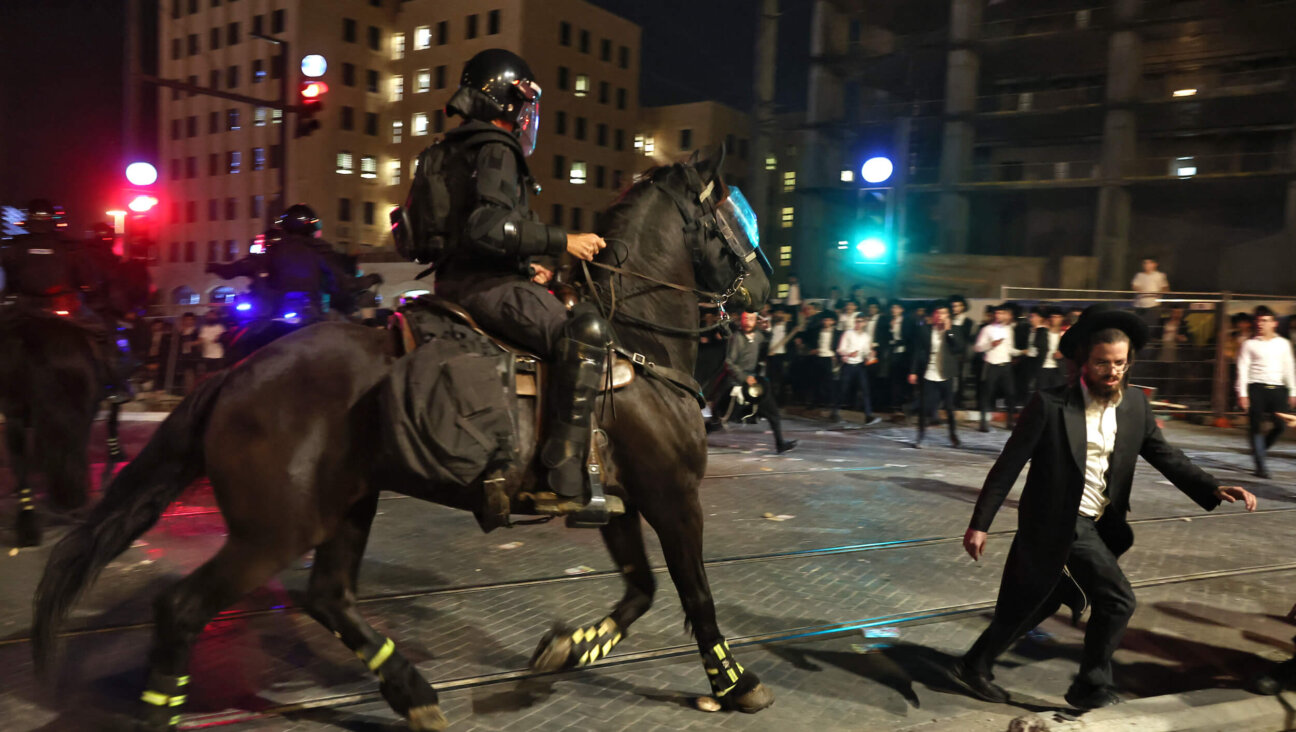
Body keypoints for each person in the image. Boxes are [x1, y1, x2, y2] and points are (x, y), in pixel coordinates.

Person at [952, 303, 1257, 710]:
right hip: (1056, 523)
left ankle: (974, 664)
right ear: (1082, 361)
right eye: (1102, 363)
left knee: (1039, 600)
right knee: (1117, 600)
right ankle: (1090, 686)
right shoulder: (1049, 405)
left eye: (1120, 363)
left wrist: (1212, 487)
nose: (1112, 372)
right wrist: (980, 523)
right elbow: (1008, 466)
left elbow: (1165, 454)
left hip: (1097, 523)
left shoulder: (1134, 405)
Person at [431, 48, 611, 510]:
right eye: (528, 104)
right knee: (584, 330)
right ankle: (563, 469)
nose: (531, 116)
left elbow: (462, 234)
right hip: (483, 290)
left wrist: (524, 266)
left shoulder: (451, 148)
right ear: (511, 103)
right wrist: (562, 241)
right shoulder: (495, 147)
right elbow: (486, 227)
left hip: (454, 282)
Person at [714, 312, 797, 453]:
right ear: (742, 320)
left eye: (751, 319)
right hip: (737, 382)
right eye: (746, 319)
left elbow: (767, 342)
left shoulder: (758, 335)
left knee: (773, 413)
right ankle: (697, 437)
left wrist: (768, 329)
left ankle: (780, 444)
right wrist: (744, 377)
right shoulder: (737, 338)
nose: (748, 322)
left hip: (754, 383)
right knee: (721, 420)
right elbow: (729, 362)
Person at [1236, 305, 1296, 479]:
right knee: (1256, 426)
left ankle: (1260, 449)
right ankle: (1260, 465)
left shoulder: (1283, 344)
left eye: (1265, 320)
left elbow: (1289, 369)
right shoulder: (1249, 344)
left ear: (1274, 323)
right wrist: (1242, 393)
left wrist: (1293, 391)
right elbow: (1243, 370)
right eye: (1258, 321)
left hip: (1277, 388)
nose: (1261, 324)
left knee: (1281, 425)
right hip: (1256, 388)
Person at [909, 302, 965, 448]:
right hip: (929, 372)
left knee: (949, 408)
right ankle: (921, 436)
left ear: (948, 316)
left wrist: (949, 332)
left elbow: (959, 348)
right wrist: (913, 371)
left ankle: (953, 435)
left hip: (946, 373)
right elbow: (917, 352)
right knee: (924, 406)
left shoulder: (955, 330)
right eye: (938, 313)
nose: (940, 317)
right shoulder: (924, 330)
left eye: (944, 314)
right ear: (933, 316)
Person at [975, 303, 1020, 432]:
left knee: (1010, 393)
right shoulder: (987, 329)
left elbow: (1010, 348)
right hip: (991, 365)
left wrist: (1021, 352)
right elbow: (978, 347)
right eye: (997, 313)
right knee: (987, 394)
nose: (999, 316)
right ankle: (984, 422)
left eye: (1002, 313)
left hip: (1006, 366)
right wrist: (990, 344)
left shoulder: (1009, 330)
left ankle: (1010, 421)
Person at [836, 314, 880, 424]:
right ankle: (835, 412)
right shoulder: (848, 333)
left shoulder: (866, 337)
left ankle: (868, 416)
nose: (858, 323)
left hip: (860, 366)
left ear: (864, 323)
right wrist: (849, 354)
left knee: (865, 390)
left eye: (860, 321)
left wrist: (870, 354)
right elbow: (840, 349)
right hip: (848, 365)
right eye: (857, 321)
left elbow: (865, 352)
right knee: (843, 389)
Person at [1131, 256, 1169, 325]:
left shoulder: (1160, 275)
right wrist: (1140, 291)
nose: (1146, 265)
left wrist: (1160, 292)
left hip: (1153, 305)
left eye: (1149, 263)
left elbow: (1165, 288)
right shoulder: (1139, 275)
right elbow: (1134, 286)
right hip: (1139, 305)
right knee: (1138, 324)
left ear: (1154, 264)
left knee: (1151, 326)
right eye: (1145, 263)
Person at [1036, 307, 1067, 391]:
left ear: (1062, 318)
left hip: (1058, 368)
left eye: (1057, 317)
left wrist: (1063, 353)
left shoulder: (1065, 333)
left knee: (1058, 393)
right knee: (1043, 394)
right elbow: (1036, 346)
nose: (1054, 319)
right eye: (1052, 317)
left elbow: (1072, 350)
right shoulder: (1042, 332)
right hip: (1043, 367)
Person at [197, 309, 226, 375]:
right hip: (206, 355)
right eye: (208, 316)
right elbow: (200, 339)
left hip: (218, 355)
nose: (210, 317)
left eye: (212, 316)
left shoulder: (220, 327)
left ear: (216, 317)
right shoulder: (204, 328)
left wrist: (219, 338)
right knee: (208, 374)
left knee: (217, 374)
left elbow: (225, 338)